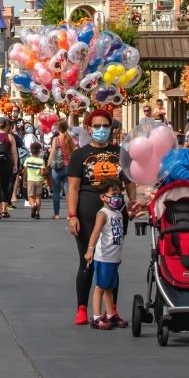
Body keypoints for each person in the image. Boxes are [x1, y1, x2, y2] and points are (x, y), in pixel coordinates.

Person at [67, 108, 137, 326]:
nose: (101, 130)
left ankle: (111, 309)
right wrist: (72, 215)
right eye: (96, 126)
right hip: (88, 213)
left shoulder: (121, 153)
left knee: (112, 262)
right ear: (88, 128)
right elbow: (73, 187)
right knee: (87, 261)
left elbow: (129, 182)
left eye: (105, 126)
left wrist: (132, 204)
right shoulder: (80, 154)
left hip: (116, 213)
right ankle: (82, 307)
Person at [84, 177, 127, 329]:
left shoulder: (118, 213)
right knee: (100, 287)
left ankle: (110, 314)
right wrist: (90, 250)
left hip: (114, 257)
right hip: (104, 257)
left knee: (109, 287)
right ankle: (96, 317)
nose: (117, 198)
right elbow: (95, 233)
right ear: (103, 197)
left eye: (119, 194)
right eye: (113, 194)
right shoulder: (103, 214)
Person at [47, 120, 75, 219]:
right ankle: (69, 214)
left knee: (56, 192)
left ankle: (57, 214)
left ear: (58, 128)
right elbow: (73, 152)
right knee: (68, 192)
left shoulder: (56, 139)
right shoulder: (69, 138)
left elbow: (53, 152)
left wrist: (48, 163)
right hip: (68, 167)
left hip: (57, 167)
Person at [22, 141, 46, 219]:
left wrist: (24, 180)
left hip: (30, 180)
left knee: (30, 196)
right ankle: (37, 213)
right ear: (39, 151)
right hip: (39, 180)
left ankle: (33, 206)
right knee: (38, 197)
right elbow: (42, 173)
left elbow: (25, 171)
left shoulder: (27, 160)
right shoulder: (41, 161)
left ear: (31, 151)